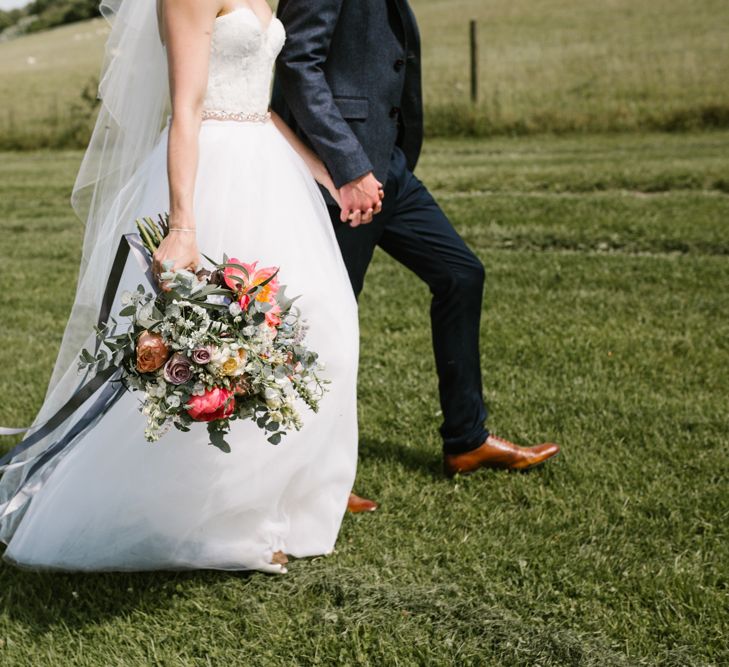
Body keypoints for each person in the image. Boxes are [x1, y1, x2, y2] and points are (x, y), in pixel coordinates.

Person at [0, 0, 360, 572]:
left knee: (317, 332)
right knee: (213, 350)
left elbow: (261, 108)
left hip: (270, 173)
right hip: (211, 173)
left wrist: (331, 177)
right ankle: (214, 519)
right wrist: (183, 226)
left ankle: (281, 499)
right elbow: (187, 109)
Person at [272, 0, 560, 506]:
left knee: (460, 274)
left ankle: (466, 441)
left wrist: (390, 157)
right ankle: (307, 473)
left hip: (390, 167)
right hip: (341, 173)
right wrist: (348, 166)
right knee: (323, 317)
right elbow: (298, 63)